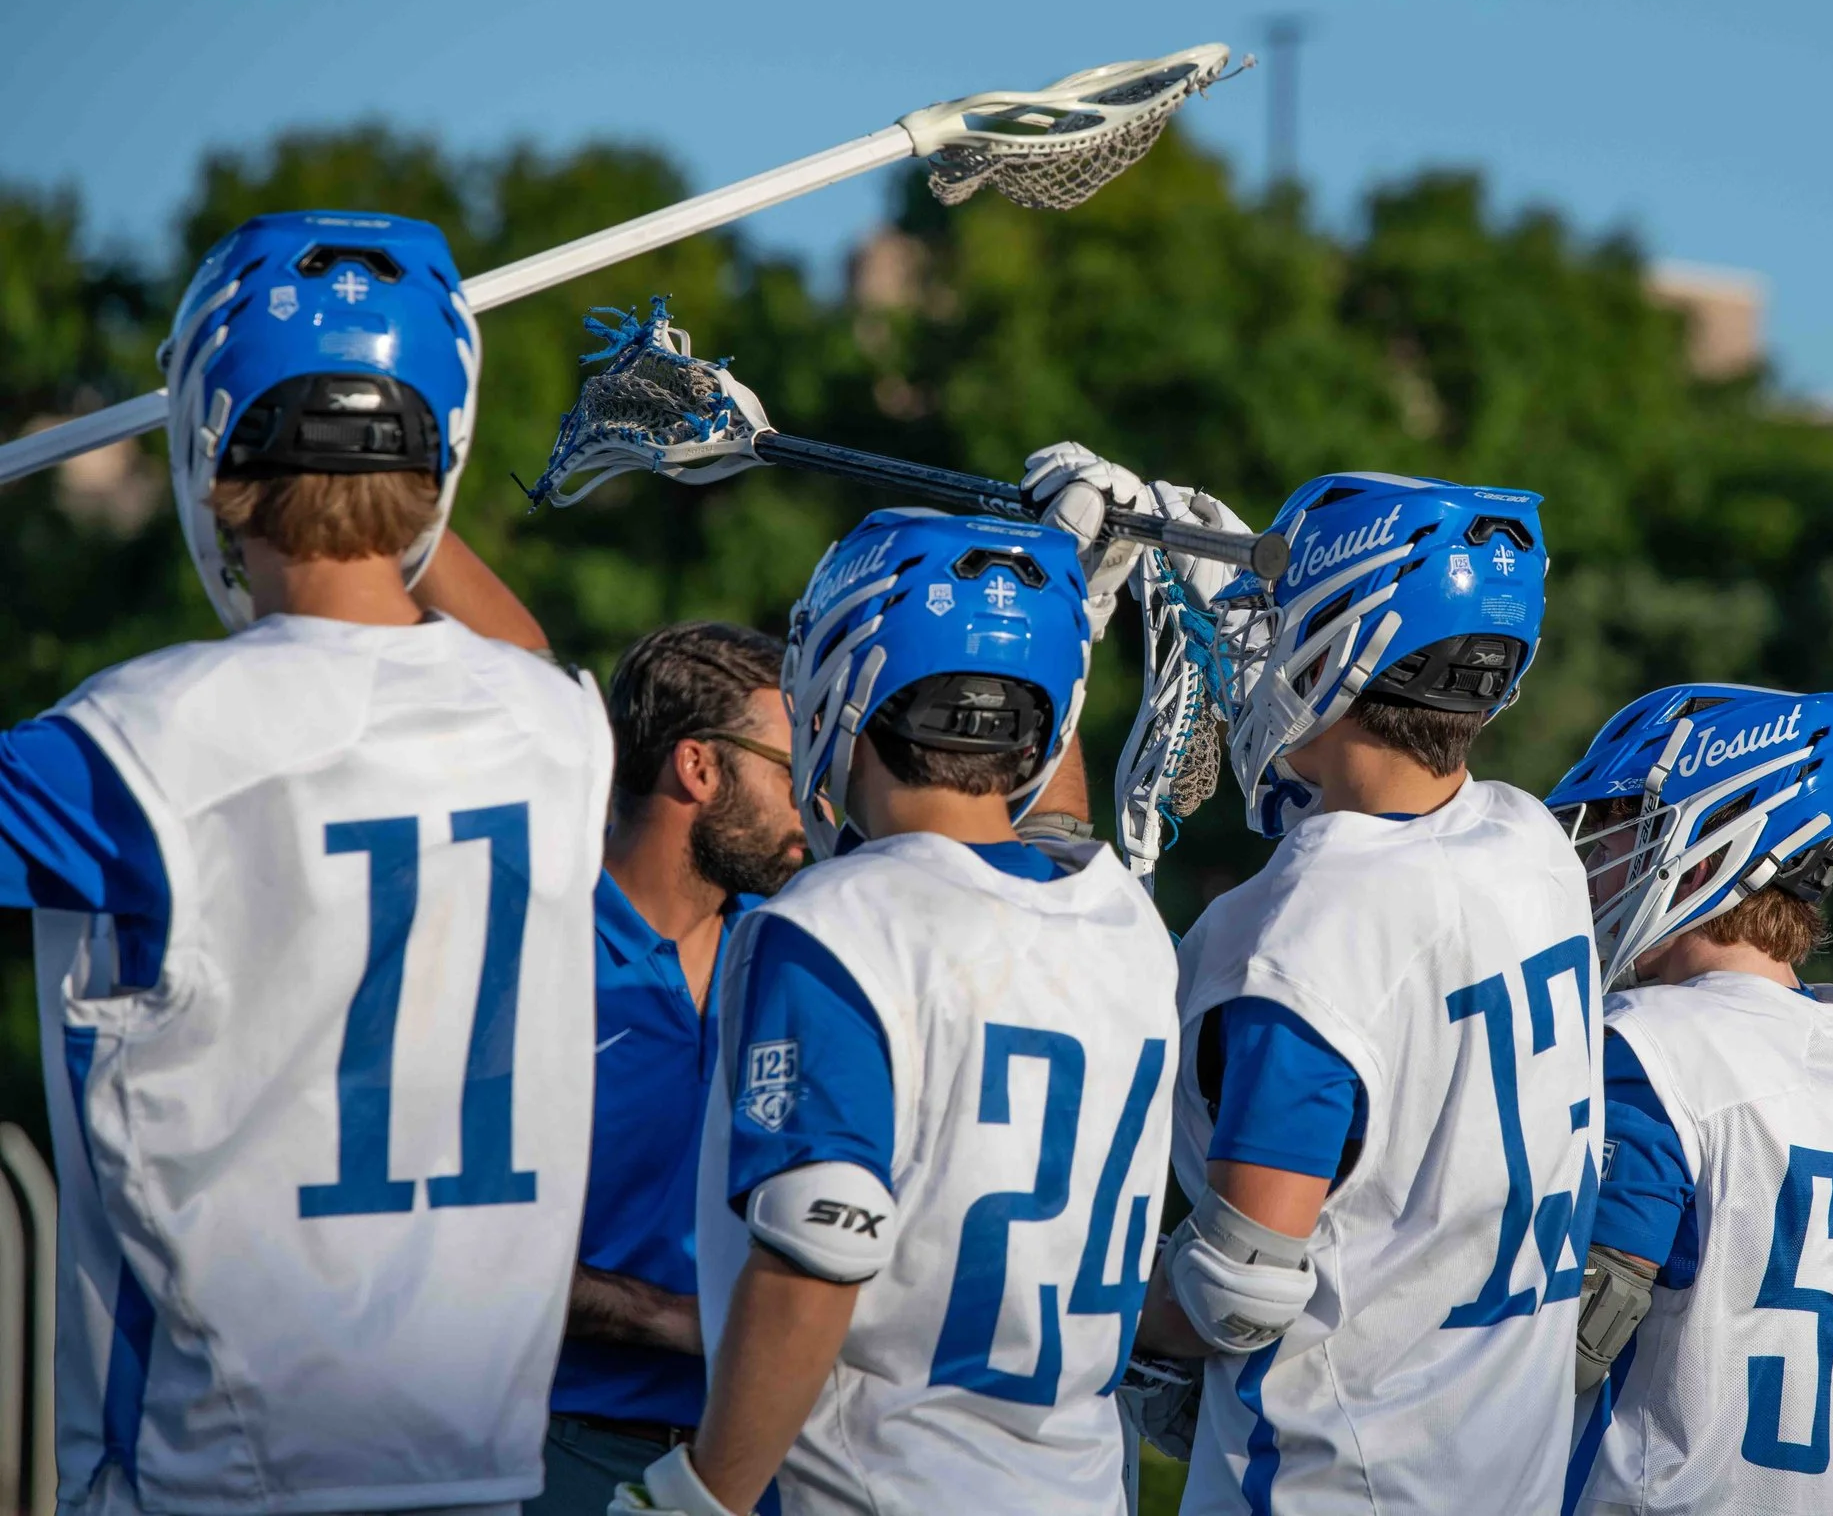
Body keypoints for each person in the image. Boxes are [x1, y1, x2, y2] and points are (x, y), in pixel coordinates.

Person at [3, 211, 612, 1514]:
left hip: (215, 1467)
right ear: (437, 458)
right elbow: (509, 650)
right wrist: (390, 458)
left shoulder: (124, 749)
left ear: (217, 459)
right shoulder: (559, 733)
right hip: (478, 1463)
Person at [1028, 451, 1602, 1515]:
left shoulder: (1298, 935)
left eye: (1281, 611)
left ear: (1339, 640)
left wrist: (1088, 1312)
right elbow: (1355, 828)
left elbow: (1237, 1290)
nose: (1257, 632)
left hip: (1336, 1480)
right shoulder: (1527, 841)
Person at [616, 508, 1179, 1516]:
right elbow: (1034, 833)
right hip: (1081, 1482)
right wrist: (1053, 603)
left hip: (880, 1482)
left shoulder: (834, 923)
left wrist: (706, 1490)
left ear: (840, 677)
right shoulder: (1122, 918)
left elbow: (819, 1252)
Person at [1545, 684, 1833, 1514]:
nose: (1597, 866)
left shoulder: (1651, 1041)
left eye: (1621, 830)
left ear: (1709, 851)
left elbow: (1565, 1345)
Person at [529, 623, 807, 1514]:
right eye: (791, 769)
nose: (816, 801)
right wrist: (684, 1322)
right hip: (566, 1451)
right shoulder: (534, 952)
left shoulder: (803, 952)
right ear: (698, 767)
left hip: (768, 1463)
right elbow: (473, 1241)